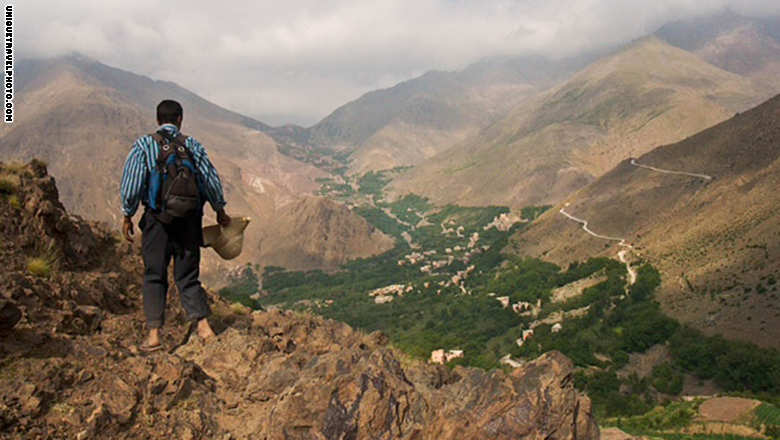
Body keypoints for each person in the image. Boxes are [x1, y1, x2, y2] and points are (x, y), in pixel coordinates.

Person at [119, 99, 231, 351]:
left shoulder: (144, 144)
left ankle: (154, 335)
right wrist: (220, 210)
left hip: (157, 222)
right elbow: (210, 180)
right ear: (180, 119)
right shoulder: (192, 145)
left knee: (154, 275)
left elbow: (132, 184)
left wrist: (128, 214)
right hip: (190, 222)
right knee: (188, 276)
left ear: (158, 120)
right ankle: (203, 327)